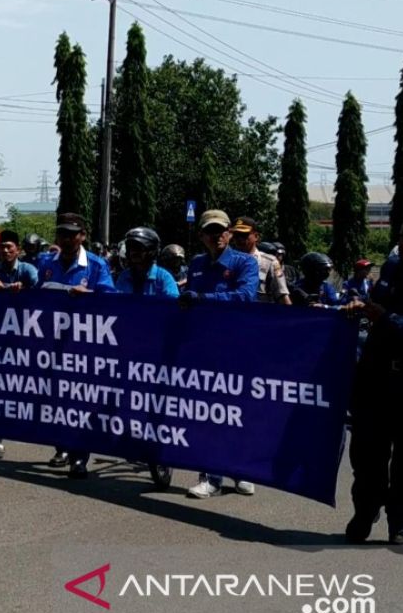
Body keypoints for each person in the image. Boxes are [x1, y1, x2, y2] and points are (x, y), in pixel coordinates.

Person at [343, 214, 403, 555]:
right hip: (375, 383)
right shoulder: (392, 271)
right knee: (367, 456)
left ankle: (401, 526)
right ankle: (364, 514)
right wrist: (361, 308)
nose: (400, 243)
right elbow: (375, 308)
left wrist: (386, 318)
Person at [182, 209, 259, 499]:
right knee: (207, 412)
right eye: (210, 231)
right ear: (201, 235)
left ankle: (241, 470)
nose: (217, 236)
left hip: (237, 346)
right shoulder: (197, 264)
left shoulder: (244, 263)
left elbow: (245, 298)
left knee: (235, 412)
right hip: (204, 347)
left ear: (229, 233)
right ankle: (211, 476)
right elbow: (189, 302)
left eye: (221, 230)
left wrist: (205, 300)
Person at [37, 213, 117, 477]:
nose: (68, 239)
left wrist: (90, 296)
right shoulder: (46, 262)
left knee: (80, 401)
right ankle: (62, 446)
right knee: (54, 399)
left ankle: (80, 457)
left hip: (83, 346)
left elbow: (111, 300)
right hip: (52, 343)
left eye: (73, 234)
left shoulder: (95, 265)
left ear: (82, 236)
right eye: (63, 233)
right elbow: (37, 296)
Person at [229, 217, 291, 305]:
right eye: (236, 235)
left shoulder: (270, 262)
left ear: (256, 236)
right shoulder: (226, 261)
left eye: (244, 235)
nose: (239, 239)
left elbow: (282, 296)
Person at [115, 227, 180, 299]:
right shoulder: (124, 276)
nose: (134, 252)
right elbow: (116, 303)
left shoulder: (164, 277)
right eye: (131, 248)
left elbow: (173, 304)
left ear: (152, 251)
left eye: (139, 248)